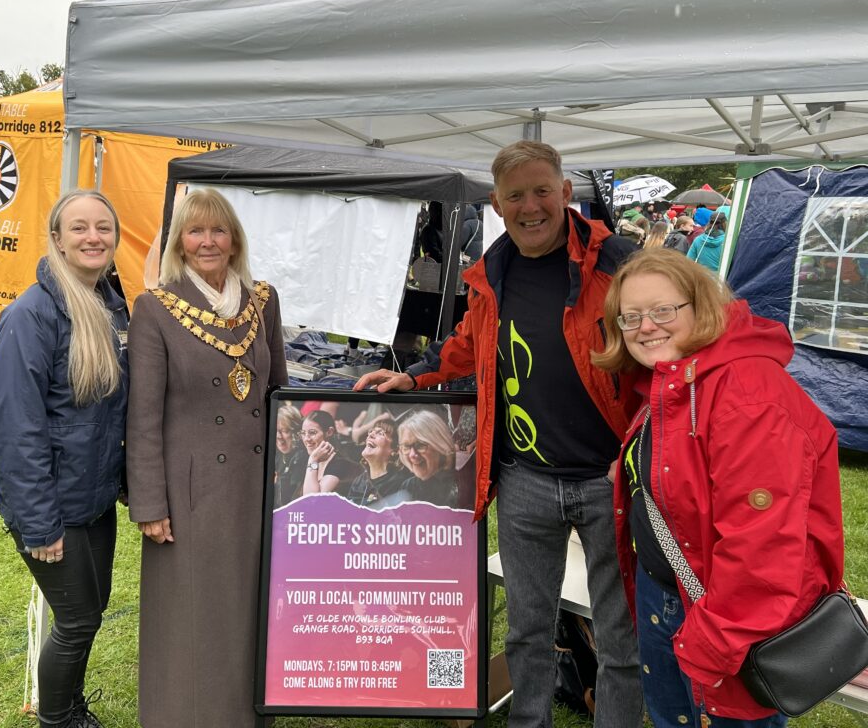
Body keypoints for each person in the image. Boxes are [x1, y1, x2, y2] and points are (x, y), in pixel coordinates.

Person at [356, 140, 643, 728]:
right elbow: (469, 340)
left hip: (610, 479)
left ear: (566, 193)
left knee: (621, 636)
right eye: (516, 196)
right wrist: (415, 374)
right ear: (496, 203)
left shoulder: (618, 261)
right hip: (525, 481)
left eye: (542, 191)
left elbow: (669, 339)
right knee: (526, 630)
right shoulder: (493, 269)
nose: (530, 207)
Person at [591, 248, 843, 726]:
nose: (646, 326)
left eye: (663, 310)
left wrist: (712, 643)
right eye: (631, 317)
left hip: (727, 622)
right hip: (670, 596)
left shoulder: (747, 394)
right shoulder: (676, 378)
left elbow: (762, 552)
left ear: (701, 306)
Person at [126, 187, 287, 728]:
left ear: (235, 240)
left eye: (219, 230)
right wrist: (150, 503)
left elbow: (279, 394)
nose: (208, 241)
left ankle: (247, 714)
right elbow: (143, 416)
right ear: (180, 242)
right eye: (196, 231)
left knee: (249, 605)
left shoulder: (263, 300)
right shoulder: (155, 307)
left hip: (255, 484)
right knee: (194, 613)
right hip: (189, 493)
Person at [0, 190, 129, 728]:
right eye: (79, 228)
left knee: (91, 611)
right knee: (77, 619)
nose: (93, 237)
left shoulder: (111, 304)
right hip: (52, 506)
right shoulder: (31, 316)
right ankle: (58, 720)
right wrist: (39, 524)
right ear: (58, 240)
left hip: (93, 498)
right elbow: (12, 429)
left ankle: (70, 707)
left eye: (103, 228)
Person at [395, 409, 460, 507]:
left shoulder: (461, 483)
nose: (412, 454)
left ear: (440, 445)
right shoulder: (408, 487)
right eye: (406, 447)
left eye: (420, 445)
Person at [346, 413, 411, 507]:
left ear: (395, 450)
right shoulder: (359, 481)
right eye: (371, 431)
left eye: (380, 433)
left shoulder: (399, 483)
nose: (370, 435)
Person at [301, 408, 361, 496]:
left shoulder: (340, 464)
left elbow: (311, 500)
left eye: (312, 432)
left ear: (329, 432)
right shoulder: (305, 461)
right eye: (303, 433)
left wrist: (312, 460)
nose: (306, 439)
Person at [274, 404, 308, 506]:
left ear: (298, 432)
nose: (278, 436)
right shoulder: (277, 456)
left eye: (285, 431)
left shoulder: (302, 458)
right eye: (275, 430)